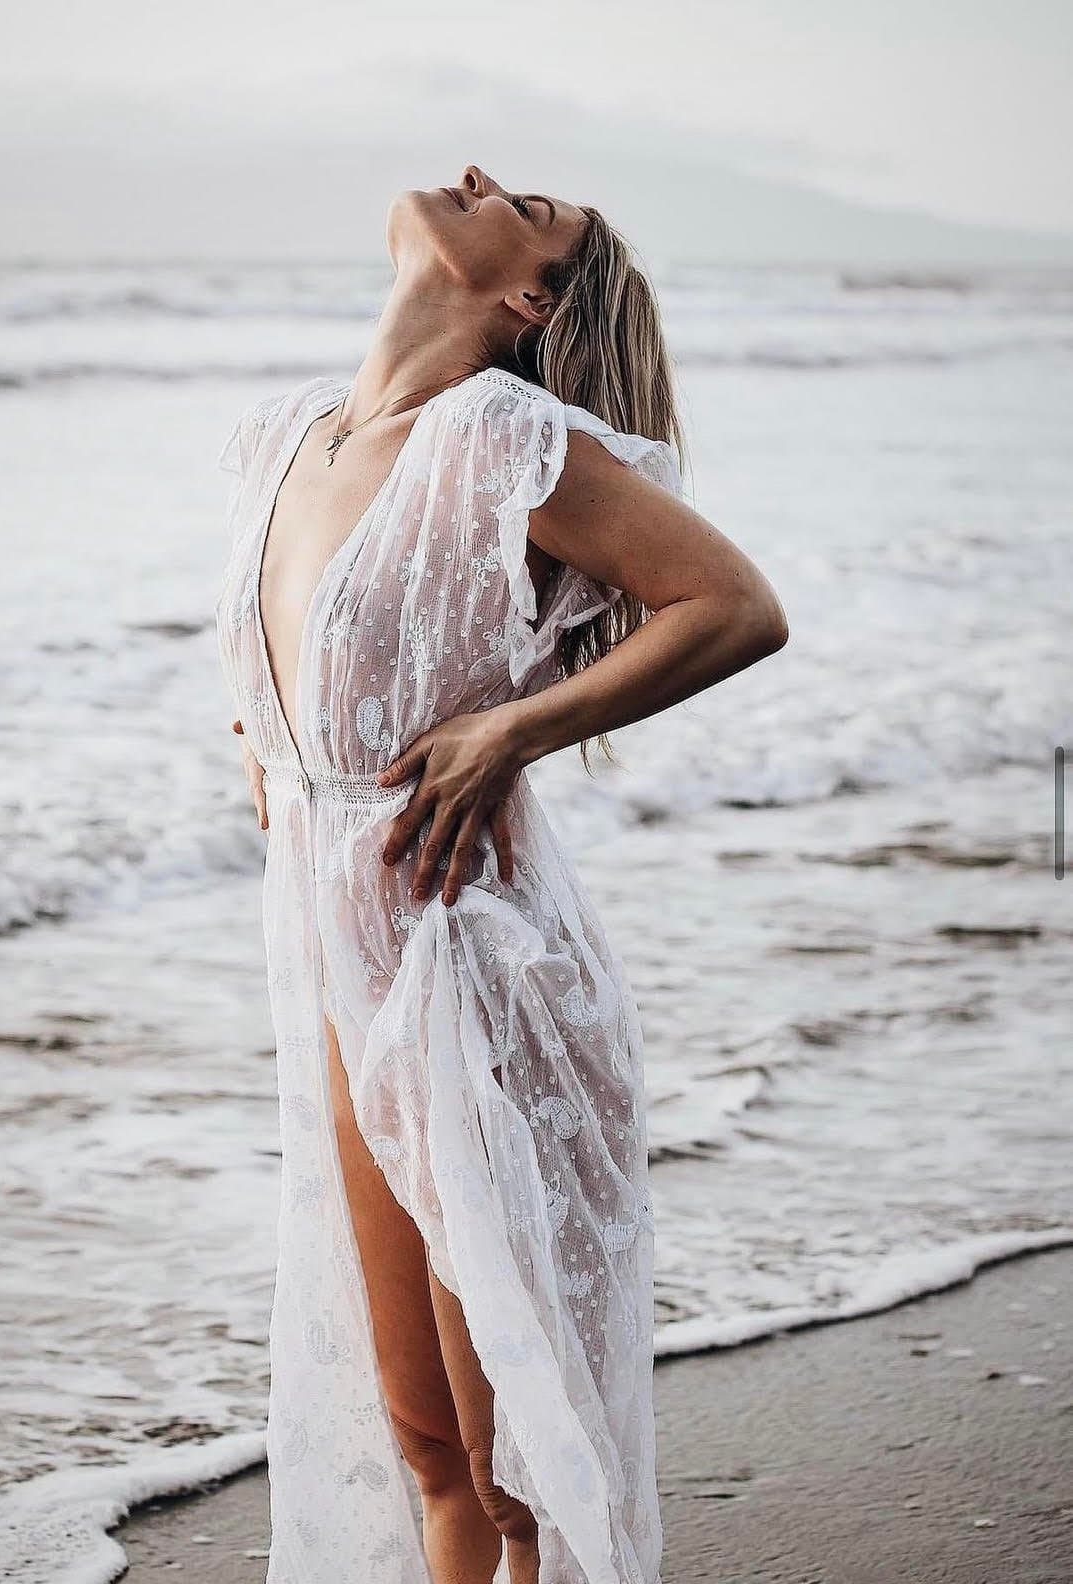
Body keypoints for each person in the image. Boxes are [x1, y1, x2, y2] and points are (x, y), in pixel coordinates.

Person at [214, 163, 788, 1584]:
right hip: (345, 977)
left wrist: (519, 726)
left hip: (481, 975)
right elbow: (298, 673)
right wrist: (269, 743)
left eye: (526, 206)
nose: (479, 179)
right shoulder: (288, 433)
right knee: (424, 1445)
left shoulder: (498, 436)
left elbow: (736, 605)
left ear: (525, 297)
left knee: (511, 1461)